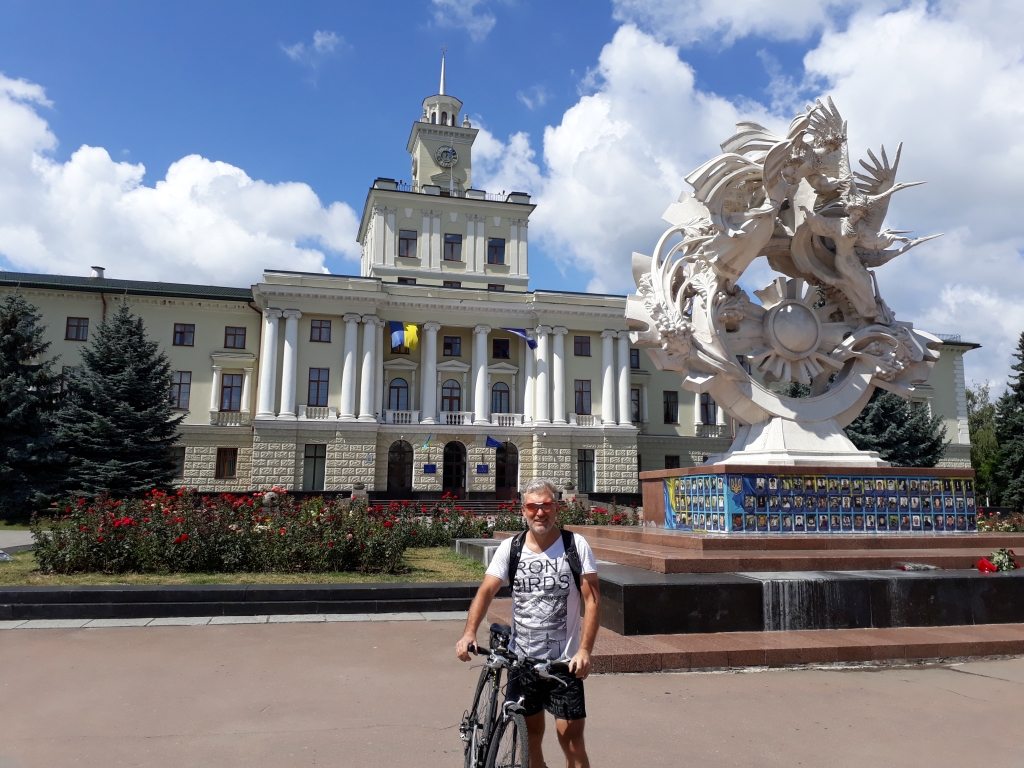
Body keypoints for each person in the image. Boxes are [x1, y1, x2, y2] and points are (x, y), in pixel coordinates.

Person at [455, 477, 599, 768]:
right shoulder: (511, 548)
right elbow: (486, 591)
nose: (539, 512)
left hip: (564, 664)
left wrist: (585, 650)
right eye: (533, 507)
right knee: (530, 738)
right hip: (522, 663)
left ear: (556, 508)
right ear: (523, 511)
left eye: (546, 505)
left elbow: (592, 600)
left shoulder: (575, 545)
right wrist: (469, 632)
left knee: (572, 742)